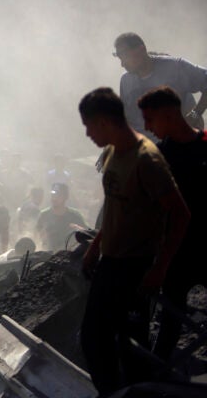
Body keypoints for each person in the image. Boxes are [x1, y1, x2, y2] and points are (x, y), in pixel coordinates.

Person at [78, 87, 190, 395]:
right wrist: (96, 244)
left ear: (104, 121)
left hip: (135, 264)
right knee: (99, 338)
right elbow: (117, 204)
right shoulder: (114, 151)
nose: (87, 133)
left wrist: (160, 269)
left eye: (88, 125)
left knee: (119, 341)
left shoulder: (148, 160)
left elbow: (180, 215)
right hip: (111, 260)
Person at [137, 86, 207, 362]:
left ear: (168, 115)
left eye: (150, 119)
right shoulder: (157, 157)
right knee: (169, 324)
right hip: (176, 253)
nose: (146, 127)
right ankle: (158, 375)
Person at [114, 32, 207, 133]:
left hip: (176, 144)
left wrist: (195, 115)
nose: (122, 64)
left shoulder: (174, 67)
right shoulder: (125, 81)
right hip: (147, 146)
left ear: (141, 49)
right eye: (120, 59)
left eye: (125, 57)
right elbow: (127, 117)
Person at [35, 183, 87, 251]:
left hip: (69, 255)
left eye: (58, 195)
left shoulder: (75, 216)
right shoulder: (43, 215)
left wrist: (78, 228)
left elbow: (86, 234)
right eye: (53, 195)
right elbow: (36, 235)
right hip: (48, 255)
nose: (54, 198)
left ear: (65, 197)